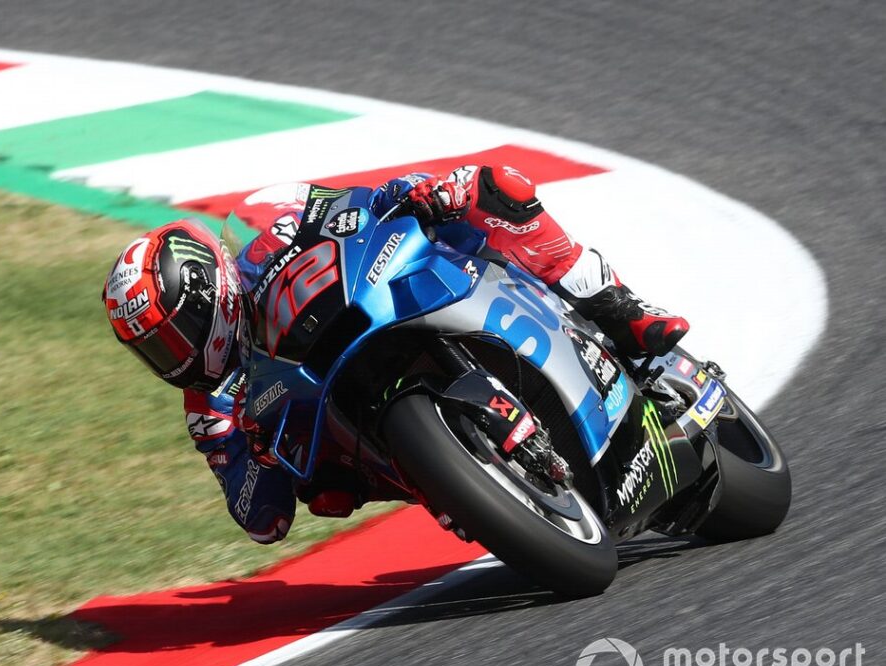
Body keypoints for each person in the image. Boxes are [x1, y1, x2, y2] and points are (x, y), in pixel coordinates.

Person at [101, 164, 689, 544]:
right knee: (328, 496)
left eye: (176, 334)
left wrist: (415, 195)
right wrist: (256, 458)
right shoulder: (208, 407)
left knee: (493, 188)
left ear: (213, 293)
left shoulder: (267, 244)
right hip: (357, 441)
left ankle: (625, 312)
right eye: (155, 350)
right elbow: (262, 521)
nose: (174, 358)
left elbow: (356, 203)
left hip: (382, 305)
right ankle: (472, 484)